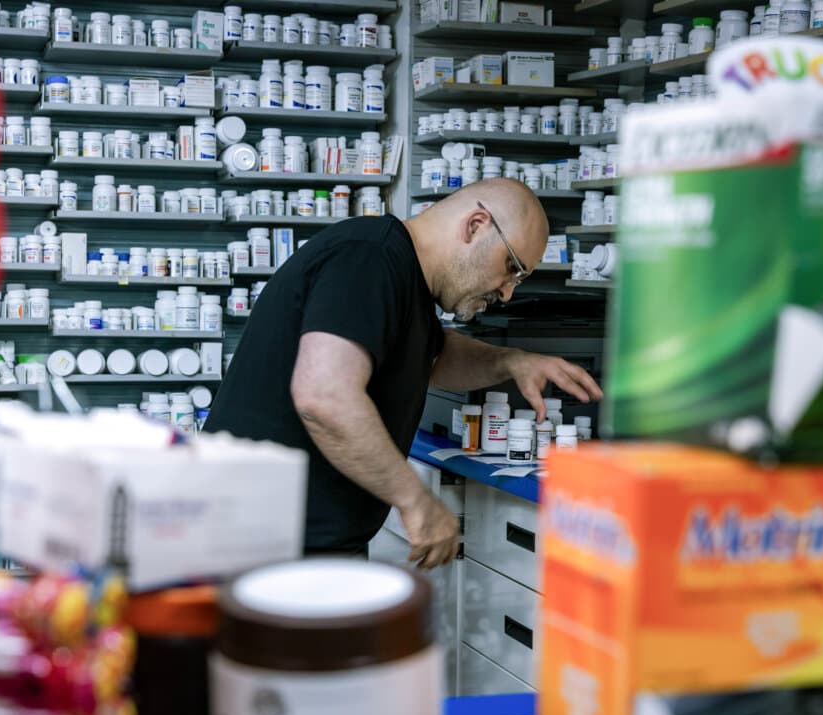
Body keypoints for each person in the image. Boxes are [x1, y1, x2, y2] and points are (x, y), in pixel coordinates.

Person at [204, 178, 603, 567]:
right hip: (263, 548)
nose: (507, 292)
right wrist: (416, 500)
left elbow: (435, 355)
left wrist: (511, 362)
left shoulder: (404, 282)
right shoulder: (368, 257)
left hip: (301, 545)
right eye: (510, 267)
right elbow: (324, 396)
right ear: (476, 226)